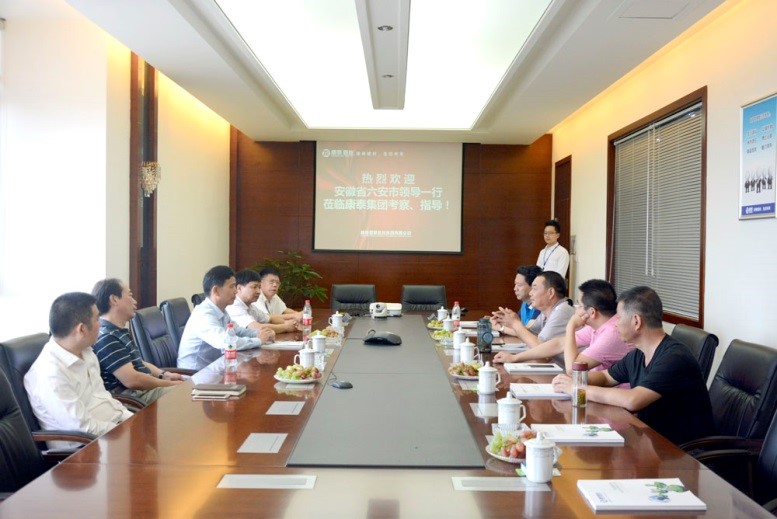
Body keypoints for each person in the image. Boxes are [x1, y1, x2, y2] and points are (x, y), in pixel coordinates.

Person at [551, 286, 714, 446]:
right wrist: (575, 379)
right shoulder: (639, 353)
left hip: (683, 451)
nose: (615, 324)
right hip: (652, 440)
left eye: (619, 318)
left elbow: (633, 400)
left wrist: (578, 389)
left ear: (636, 321)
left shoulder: (674, 358)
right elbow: (606, 377)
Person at [23, 292, 133, 448]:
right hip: (85, 450)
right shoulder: (50, 374)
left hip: (113, 432)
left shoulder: (86, 351)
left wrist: (133, 419)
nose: (101, 323)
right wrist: (128, 430)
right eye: (97, 319)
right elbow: (84, 429)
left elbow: (104, 398)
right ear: (82, 329)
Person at [493, 279, 634, 370]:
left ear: (592, 312)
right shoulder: (597, 325)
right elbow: (558, 344)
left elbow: (573, 369)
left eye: (579, 305)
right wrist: (515, 358)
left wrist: (571, 326)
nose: (576, 309)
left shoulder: (612, 332)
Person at [92, 278, 184, 405]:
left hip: (143, 391)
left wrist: (164, 374)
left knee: (192, 390)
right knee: (188, 392)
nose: (134, 301)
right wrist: (169, 384)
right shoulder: (107, 337)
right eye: (130, 295)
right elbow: (132, 380)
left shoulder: (118, 331)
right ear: (114, 299)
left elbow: (139, 362)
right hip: (135, 397)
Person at [177, 265, 272, 371]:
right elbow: (227, 343)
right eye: (232, 286)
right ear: (216, 291)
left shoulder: (221, 310)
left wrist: (259, 333)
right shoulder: (203, 314)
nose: (236, 291)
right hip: (194, 375)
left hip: (215, 368)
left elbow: (237, 331)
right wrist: (258, 340)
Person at [491, 271, 575, 362]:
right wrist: (505, 324)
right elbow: (529, 333)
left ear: (550, 293)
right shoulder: (545, 312)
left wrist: (515, 323)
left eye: (534, 289)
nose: (530, 293)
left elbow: (542, 351)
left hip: (568, 369)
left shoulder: (562, 311)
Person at [226, 269, 295, 335]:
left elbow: (270, 318)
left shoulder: (251, 307)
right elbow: (256, 328)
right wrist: (285, 327)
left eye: (259, 287)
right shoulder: (234, 306)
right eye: (254, 287)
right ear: (239, 288)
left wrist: (290, 323)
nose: (258, 291)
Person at [490, 265, 542, 334]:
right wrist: (501, 319)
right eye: (515, 284)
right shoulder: (525, 303)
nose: (515, 289)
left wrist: (501, 328)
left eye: (519, 285)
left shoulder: (540, 306)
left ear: (533, 286)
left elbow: (528, 333)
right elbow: (518, 326)